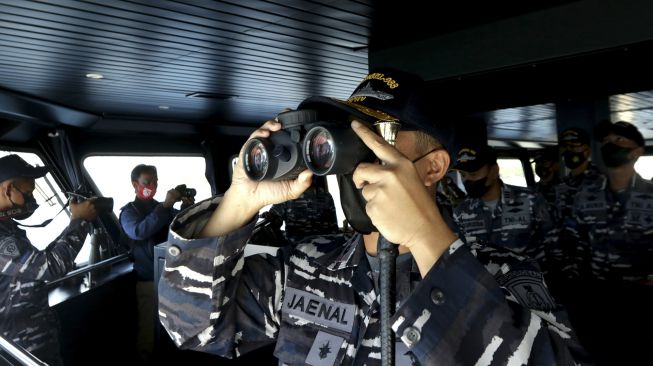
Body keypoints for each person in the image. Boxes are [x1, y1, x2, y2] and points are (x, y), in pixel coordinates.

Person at [158, 70, 586, 365]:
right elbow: (190, 328)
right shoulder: (306, 267)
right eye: (347, 135)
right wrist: (240, 200)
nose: (356, 156)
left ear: (433, 167)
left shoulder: (503, 276)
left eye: (377, 136)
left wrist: (425, 238)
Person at [560, 120, 652, 364]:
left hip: (643, 303)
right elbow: (573, 241)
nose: (610, 144)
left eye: (619, 140)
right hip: (597, 301)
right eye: (607, 141)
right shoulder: (586, 195)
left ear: (636, 152)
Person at [0, 155, 97, 366]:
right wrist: (79, 221)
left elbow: (38, 261)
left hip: (32, 338)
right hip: (20, 349)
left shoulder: (6, 228)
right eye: (27, 193)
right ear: (8, 190)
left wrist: (74, 222)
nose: (32, 200)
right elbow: (51, 267)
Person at [119, 164, 194, 364]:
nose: (152, 185)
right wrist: (165, 206)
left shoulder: (160, 208)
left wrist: (186, 208)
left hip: (170, 278)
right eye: (147, 182)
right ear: (135, 184)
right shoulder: (129, 212)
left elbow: (179, 226)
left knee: (173, 328)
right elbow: (139, 232)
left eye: (155, 181)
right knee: (148, 332)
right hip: (148, 282)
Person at [452, 144, 554, 268]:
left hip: (528, 281)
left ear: (494, 171)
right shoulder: (461, 212)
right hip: (486, 285)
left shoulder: (531, 200)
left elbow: (553, 244)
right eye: (463, 175)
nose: (467, 180)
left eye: (473, 174)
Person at [267, 176, 339, 243]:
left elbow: (334, 227)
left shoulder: (287, 195)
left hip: (302, 248)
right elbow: (272, 221)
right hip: (319, 247)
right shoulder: (326, 195)